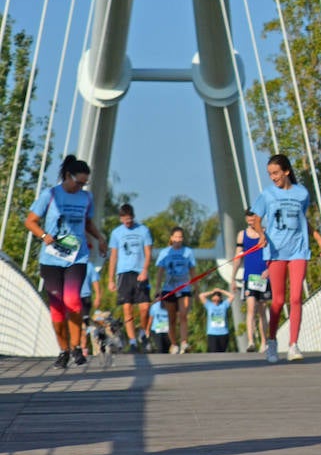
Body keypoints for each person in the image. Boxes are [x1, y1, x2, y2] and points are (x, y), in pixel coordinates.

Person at [25, 154, 107, 369]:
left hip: (76, 257)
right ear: (68, 176)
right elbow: (30, 221)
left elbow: (87, 223)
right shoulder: (50, 195)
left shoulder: (85, 198)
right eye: (78, 182)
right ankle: (63, 350)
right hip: (51, 258)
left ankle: (76, 347)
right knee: (57, 307)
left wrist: (99, 238)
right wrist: (44, 236)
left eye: (84, 183)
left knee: (73, 302)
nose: (80, 186)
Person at [247, 154, 321, 364]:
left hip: (298, 250)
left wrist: (318, 238)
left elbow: (303, 221)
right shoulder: (267, 195)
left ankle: (293, 345)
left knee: (296, 298)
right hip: (276, 252)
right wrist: (262, 234)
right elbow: (256, 220)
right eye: (270, 174)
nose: (273, 177)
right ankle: (272, 342)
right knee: (278, 300)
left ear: (286, 171)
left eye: (275, 173)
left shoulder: (302, 194)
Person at [107, 202, 154, 351]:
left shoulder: (143, 231)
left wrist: (145, 270)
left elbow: (148, 253)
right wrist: (110, 279)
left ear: (133, 217)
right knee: (127, 308)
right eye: (125, 219)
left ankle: (142, 332)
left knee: (145, 307)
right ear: (121, 218)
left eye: (130, 219)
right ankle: (132, 341)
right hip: (123, 273)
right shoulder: (116, 233)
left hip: (139, 271)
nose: (128, 222)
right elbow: (113, 257)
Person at [155, 226, 197, 354]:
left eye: (181, 237)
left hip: (184, 287)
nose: (178, 239)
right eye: (176, 237)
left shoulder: (188, 252)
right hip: (169, 288)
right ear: (172, 238)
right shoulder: (165, 252)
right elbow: (160, 272)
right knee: (171, 318)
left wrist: (196, 287)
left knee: (183, 315)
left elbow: (192, 270)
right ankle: (174, 344)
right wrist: (157, 289)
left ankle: (184, 343)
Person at [233, 208, 270, 352]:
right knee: (251, 308)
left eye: (253, 220)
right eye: (248, 221)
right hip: (249, 277)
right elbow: (237, 257)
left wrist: (269, 270)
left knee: (262, 310)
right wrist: (233, 277)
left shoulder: (266, 233)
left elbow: (272, 253)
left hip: (263, 276)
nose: (251, 223)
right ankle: (250, 341)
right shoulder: (242, 235)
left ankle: (264, 341)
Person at [199, 287, 235, 353]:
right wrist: (212, 292)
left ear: (220, 298)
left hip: (223, 333)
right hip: (212, 334)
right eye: (214, 300)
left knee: (222, 353)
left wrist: (221, 291)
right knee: (213, 353)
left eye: (217, 300)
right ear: (212, 298)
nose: (216, 301)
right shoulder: (209, 305)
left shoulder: (224, 305)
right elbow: (201, 296)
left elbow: (232, 296)